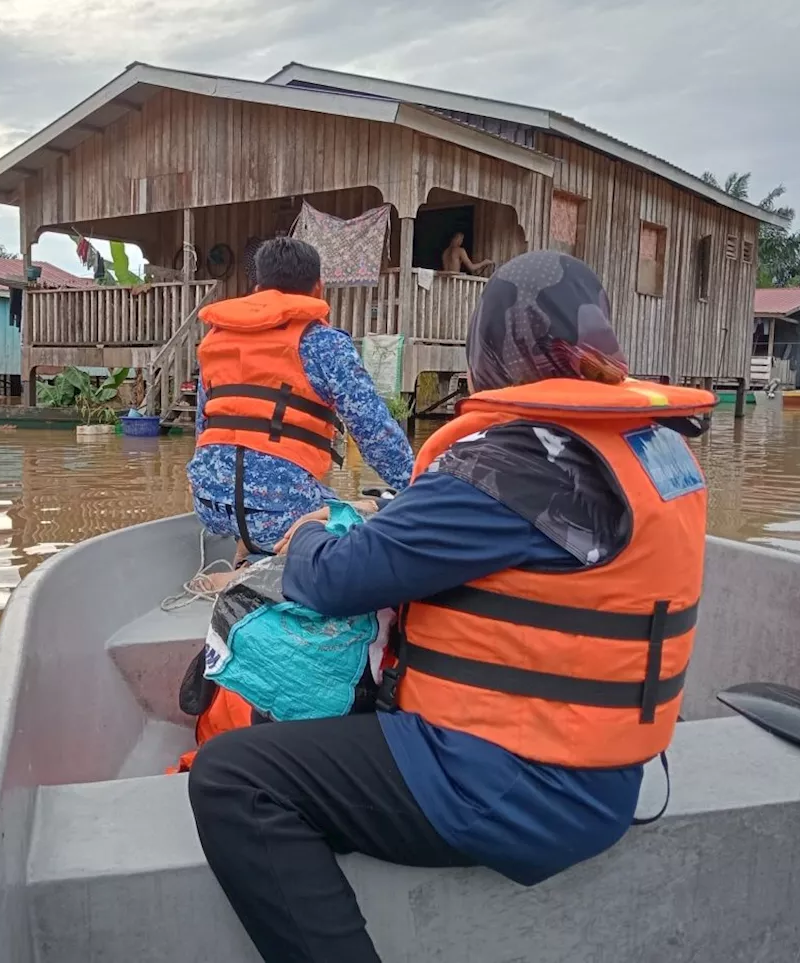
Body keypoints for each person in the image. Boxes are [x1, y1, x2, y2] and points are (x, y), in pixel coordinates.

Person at [187, 250, 717, 963]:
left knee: (234, 775)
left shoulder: (515, 464)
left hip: (514, 786)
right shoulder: (649, 446)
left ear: (492, 349)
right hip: (604, 772)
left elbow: (340, 578)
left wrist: (309, 532)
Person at [186, 237, 412, 562]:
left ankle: (244, 551)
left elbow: (203, 428)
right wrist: (420, 486)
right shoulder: (323, 343)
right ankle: (248, 574)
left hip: (210, 504)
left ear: (257, 288)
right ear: (318, 289)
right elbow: (375, 434)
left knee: (291, 501)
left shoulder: (216, 340)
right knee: (366, 516)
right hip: (282, 512)